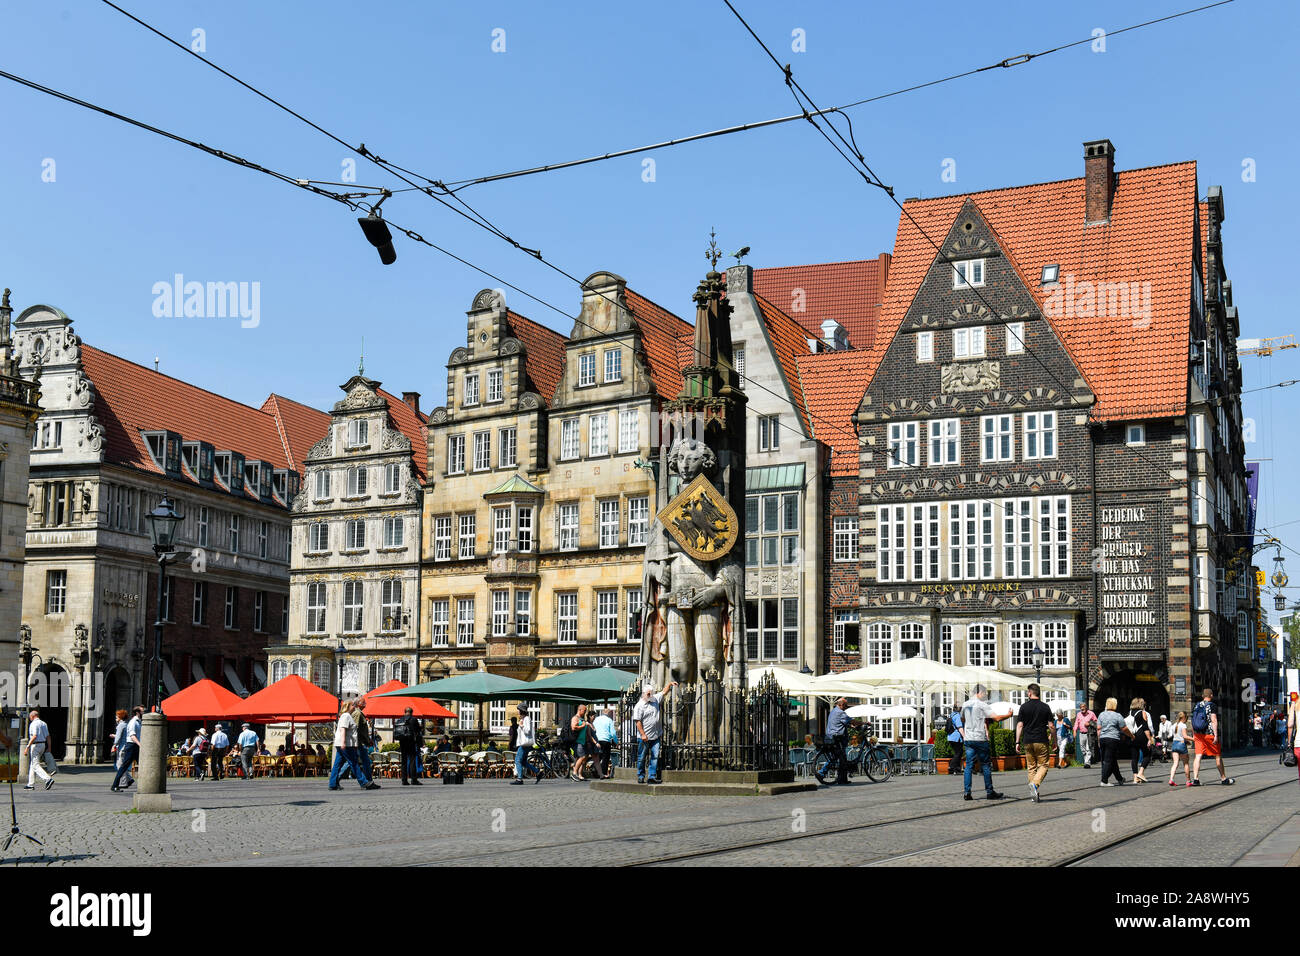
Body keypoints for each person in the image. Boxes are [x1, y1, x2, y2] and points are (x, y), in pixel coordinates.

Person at [959, 686, 1004, 801]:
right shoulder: (982, 705)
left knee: (968, 766)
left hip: (969, 739)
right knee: (985, 765)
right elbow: (997, 718)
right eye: (985, 693)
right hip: (980, 738)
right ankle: (990, 792)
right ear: (980, 692)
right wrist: (1008, 714)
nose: (985, 695)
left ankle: (967, 792)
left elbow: (962, 719)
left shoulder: (965, 704)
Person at [1014, 683, 1055, 802]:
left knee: (1031, 767)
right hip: (1041, 740)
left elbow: (1020, 725)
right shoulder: (1045, 707)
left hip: (1027, 741)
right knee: (1044, 765)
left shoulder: (1023, 707)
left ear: (1030, 693)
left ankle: (1034, 794)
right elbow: (1051, 726)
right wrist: (1054, 741)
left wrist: (1017, 742)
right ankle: (1035, 785)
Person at [328, 701, 378, 791]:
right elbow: (343, 729)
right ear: (347, 706)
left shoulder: (345, 716)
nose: (354, 706)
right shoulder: (346, 716)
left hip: (342, 743)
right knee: (353, 763)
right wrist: (343, 742)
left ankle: (333, 783)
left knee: (337, 764)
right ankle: (363, 782)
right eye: (352, 705)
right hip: (346, 744)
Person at [633, 681, 676, 785]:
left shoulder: (655, 699)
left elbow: (663, 692)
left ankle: (651, 777)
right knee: (642, 757)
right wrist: (643, 734)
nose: (650, 695)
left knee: (655, 756)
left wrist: (669, 684)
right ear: (643, 693)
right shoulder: (639, 706)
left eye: (651, 693)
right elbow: (637, 721)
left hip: (655, 735)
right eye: (648, 694)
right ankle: (641, 775)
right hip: (644, 736)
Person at [1190, 687, 1234, 785]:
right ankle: (1223, 779)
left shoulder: (1196, 705)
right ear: (1211, 696)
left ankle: (1195, 779)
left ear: (1202, 696)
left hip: (1198, 734)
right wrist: (1216, 735)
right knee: (1217, 756)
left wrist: (1194, 734)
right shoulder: (1212, 705)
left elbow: (1192, 721)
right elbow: (1213, 720)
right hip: (1209, 734)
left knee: (1198, 756)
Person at [1097, 697, 1128, 786]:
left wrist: (1099, 740)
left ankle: (1120, 779)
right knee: (1108, 760)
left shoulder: (1101, 715)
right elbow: (1124, 728)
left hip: (1103, 739)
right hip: (1113, 739)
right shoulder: (1118, 715)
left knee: (1112, 760)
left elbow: (1098, 728)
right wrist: (1132, 736)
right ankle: (1104, 780)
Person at [820, 697, 852, 785]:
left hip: (830, 737)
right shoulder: (840, 712)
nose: (846, 707)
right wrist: (863, 723)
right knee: (837, 757)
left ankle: (843, 779)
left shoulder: (833, 711)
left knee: (842, 758)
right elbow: (851, 720)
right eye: (845, 705)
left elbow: (840, 723)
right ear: (841, 704)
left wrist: (849, 726)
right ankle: (821, 773)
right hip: (837, 739)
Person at [111, 706, 143, 792]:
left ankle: (146, 785)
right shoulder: (133, 722)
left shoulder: (139, 722)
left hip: (135, 746)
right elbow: (132, 736)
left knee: (143, 765)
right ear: (137, 713)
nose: (144, 713)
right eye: (142, 711)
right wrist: (141, 745)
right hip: (131, 746)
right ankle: (115, 785)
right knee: (123, 766)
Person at [23, 708, 55, 791]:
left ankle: (47, 779)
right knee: (33, 764)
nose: (30, 718)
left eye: (30, 717)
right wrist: (49, 747)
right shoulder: (43, 723)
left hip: (36, 745)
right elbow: (48, 736)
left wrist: (27, 747)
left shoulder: (34, 724)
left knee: (35, 765)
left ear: (33, 716)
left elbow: (34, 736)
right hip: (43, 745)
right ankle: (30, 784)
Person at [512, 702, 540, 785]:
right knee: (523, 761)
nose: (518, 712)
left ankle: (520, 779)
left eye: (518, 710)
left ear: (521, 710)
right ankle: (537, 772)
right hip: (525, 743)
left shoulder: (526, 719)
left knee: (517, 760)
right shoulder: (524, 719)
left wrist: (521, 726)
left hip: (525, 744)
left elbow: (527, 731)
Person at [394, 706, 423, 785]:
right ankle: (413, 779)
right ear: (411, 712)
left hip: (402, 742)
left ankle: (404, 780)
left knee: (404, 761)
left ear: (404, 712)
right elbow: (418, 730)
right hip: (411, 741)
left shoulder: (400, 719)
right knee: (412, 760)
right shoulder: (414, 719)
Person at [1127, 698, 1154, 783]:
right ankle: (1141, 773)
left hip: (1132, 736)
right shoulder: (1143, 713)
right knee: (1147, 754)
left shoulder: (1130, 713)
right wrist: (1150, 739)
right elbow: (1146, 727)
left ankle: (1135, 778)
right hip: (1141, 735)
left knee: (1134, 757)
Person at [109, 709, 133, 792]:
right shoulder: (127, 724)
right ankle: (129, 779)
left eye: (117, 717)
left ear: (120, 717)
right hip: (126, 746)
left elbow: (118, 737)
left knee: (120, 766)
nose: (116, 718)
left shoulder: (120, 725)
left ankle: (123, 783)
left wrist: (114, 745)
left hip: (121, 747)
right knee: (123, 765)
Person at [570, 704, 596, 781]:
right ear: (580, 710)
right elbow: (573, 727)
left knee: (582, 758)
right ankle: (574, 773)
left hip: (583, 741)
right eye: (584, 711)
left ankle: (578, 774)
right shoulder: (575, 718)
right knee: (582, 757)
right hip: (578, 741)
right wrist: (583, 725)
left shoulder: (581, 718)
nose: (585, 712)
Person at [1167, 711, 1192, 786]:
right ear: (1184, 718)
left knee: (1175, 763)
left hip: (1174, 744)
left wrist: (1186, 741)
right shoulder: (1183, 725)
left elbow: (1175, 736)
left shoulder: (1174, 725)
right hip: (1181, 745)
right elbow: (1185, 736)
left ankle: (1171, 779)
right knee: (1186, 764)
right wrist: (1194, 739)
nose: (1186, 720)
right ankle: (1188, 781)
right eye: (1186, 718)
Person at [355, 700, 375, 782]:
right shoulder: (358, 714)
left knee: (360, 761)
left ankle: (369, 780)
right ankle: (369, 780)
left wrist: (368, 740)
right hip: (360, 742)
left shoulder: (360, 713)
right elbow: (356, 728)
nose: (365, 704)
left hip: (362, 741)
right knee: (352, 762)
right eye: (363, 703)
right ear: (358, 704)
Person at [943, 705, 964, 775]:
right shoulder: (957, 715)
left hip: (950, 736)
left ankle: (956, 769)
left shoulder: (951, 715)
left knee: (957, 753)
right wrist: (964, 736)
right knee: (959, 752)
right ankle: (951, 767)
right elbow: (959, 727)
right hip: (956, 737)